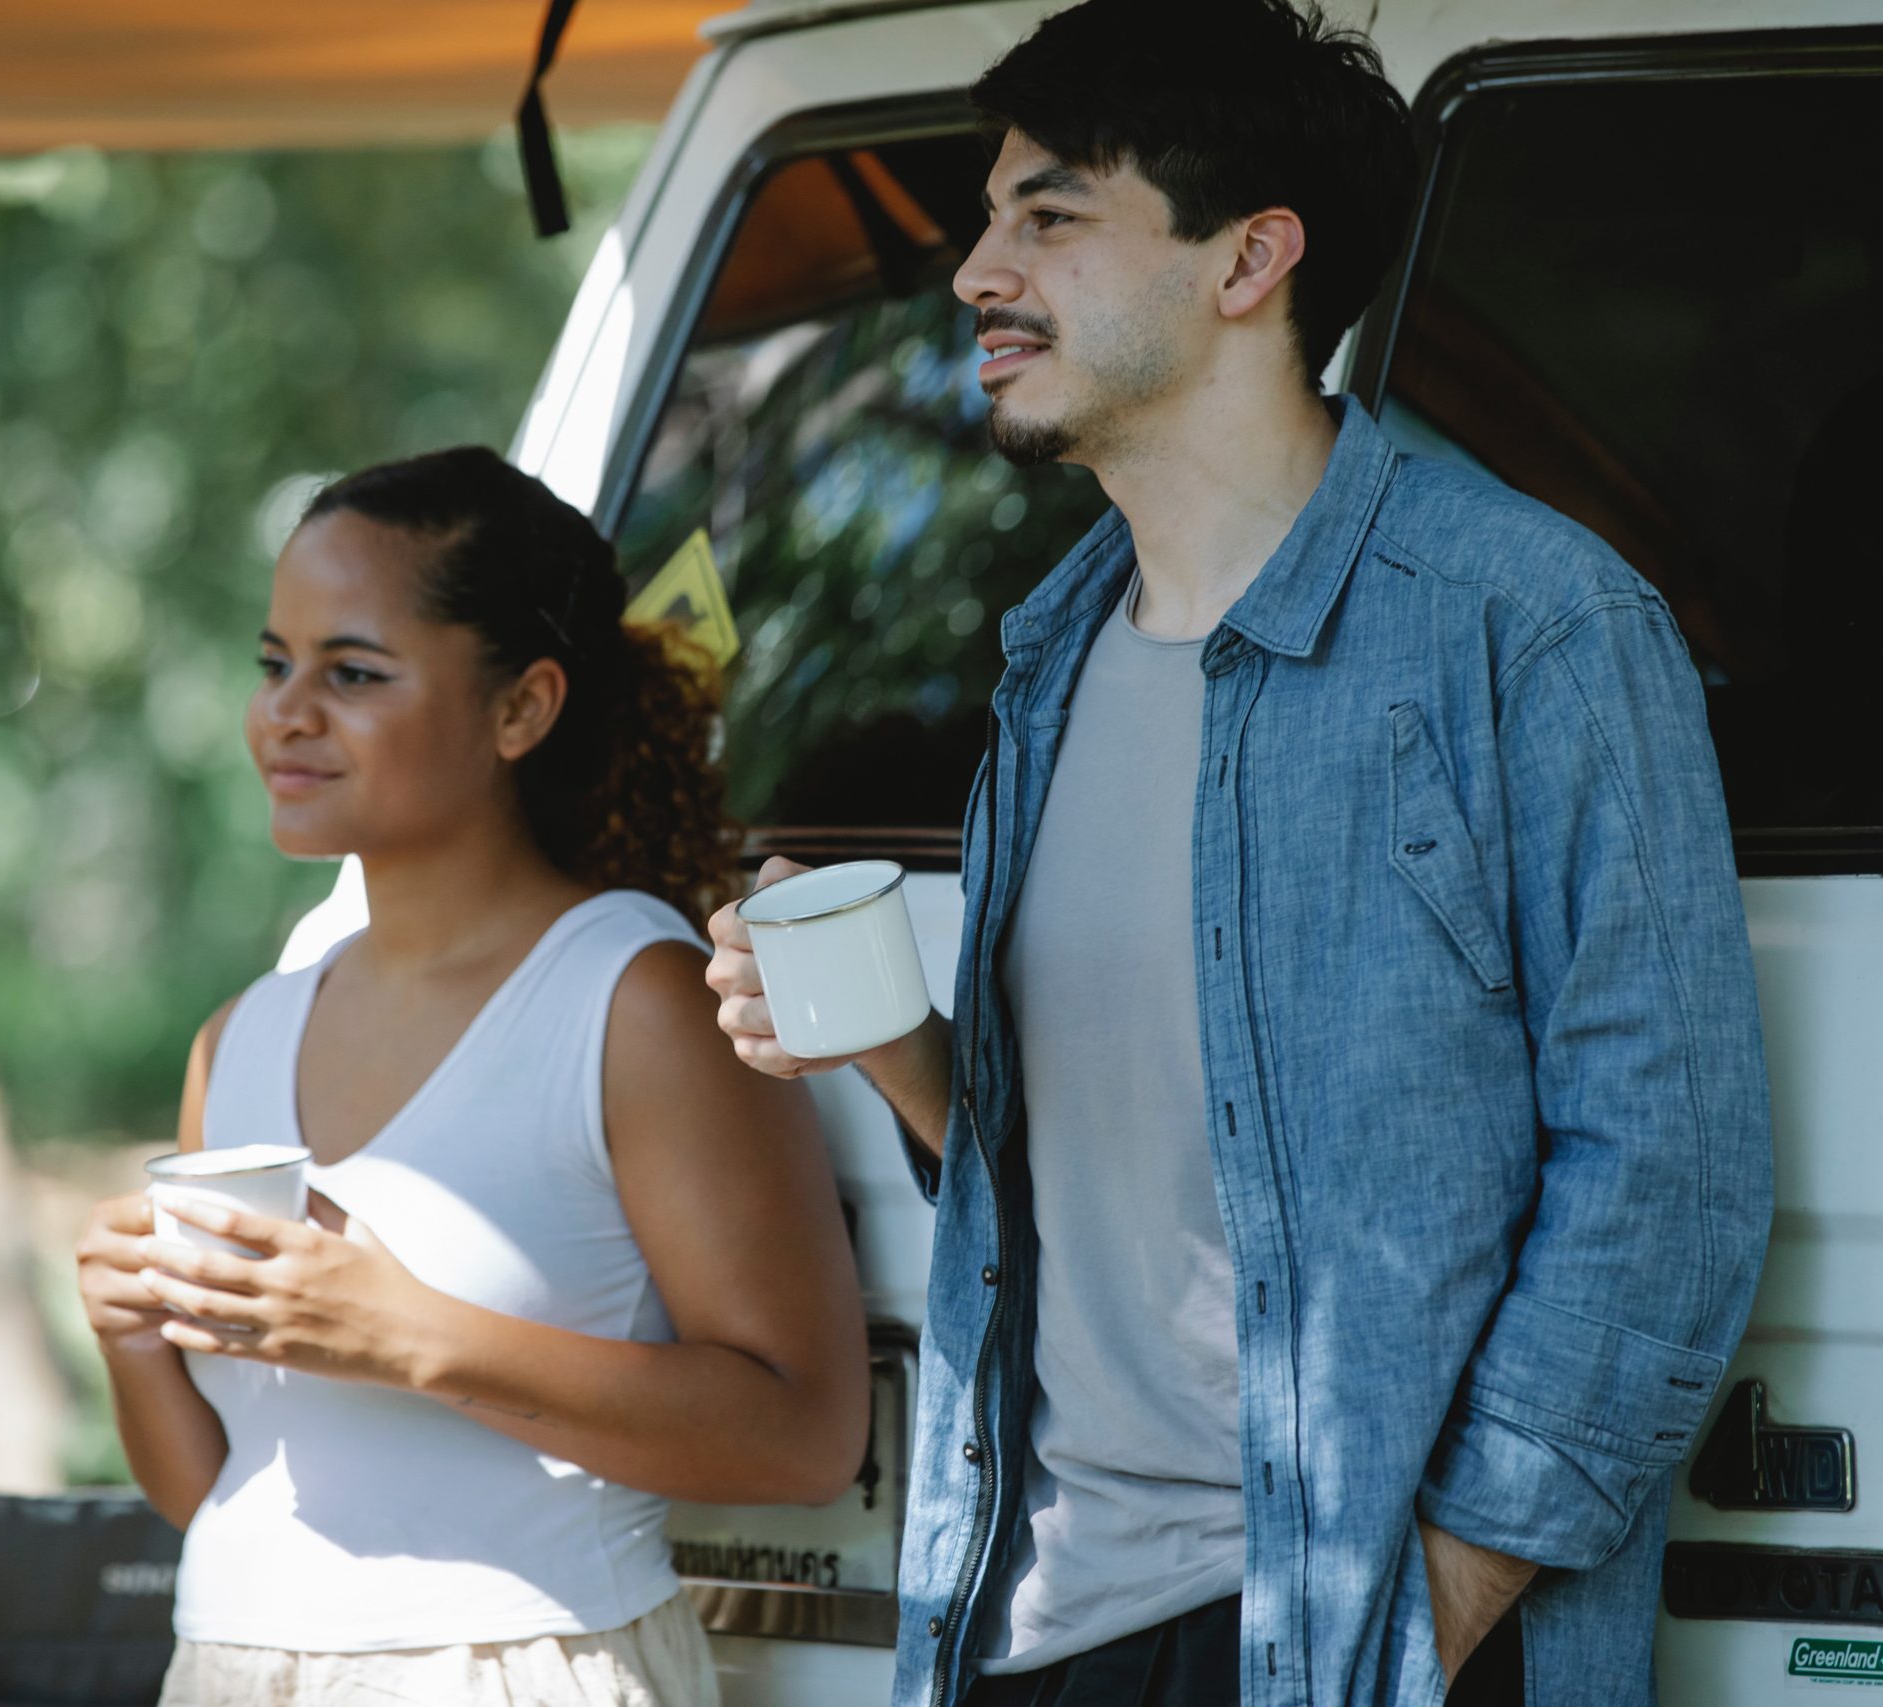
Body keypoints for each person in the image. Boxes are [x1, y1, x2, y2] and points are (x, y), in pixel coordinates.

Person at [705, 3, 1775, 1704]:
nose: (979, 270)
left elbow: (1673, 1183)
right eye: (989, 223)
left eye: (1048, 217)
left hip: (1341, 1627)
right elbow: (1075, 1174)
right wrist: (891, 1044)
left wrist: (1434, 1598)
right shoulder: (1044, 659)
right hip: (1021, 1612)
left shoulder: (1535, 628)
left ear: (1250, 260)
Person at [74, 447, 870, 1707]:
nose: (286, 712)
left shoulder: (635, 1000)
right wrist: (132, 1343)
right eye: (274, 664)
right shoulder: (239, 1040)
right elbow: (226, 1495)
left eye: (353, 673)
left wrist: (403, 1333)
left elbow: (807, 1434)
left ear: (521, 708)